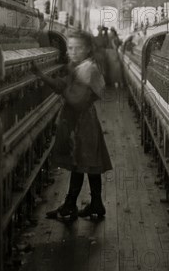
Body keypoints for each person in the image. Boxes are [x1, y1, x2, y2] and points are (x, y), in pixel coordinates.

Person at [31, 30, 112, 223]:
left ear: (88, 49)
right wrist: (42, 75)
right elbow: (65, 86)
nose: (73, 52)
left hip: (82, 121)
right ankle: (95, 203)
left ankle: (71, 205)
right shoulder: (81, 66)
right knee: (88, 162)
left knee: (82, 162)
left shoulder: (87, 69)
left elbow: (77, 101)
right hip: (83, 121)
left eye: (78, 48)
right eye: (70, 48)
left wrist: (58, 85)